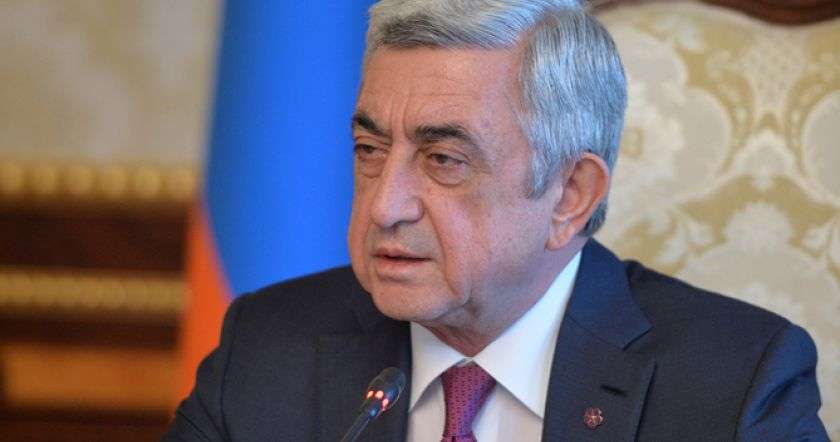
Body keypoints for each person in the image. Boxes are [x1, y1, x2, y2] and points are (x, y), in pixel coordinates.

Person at [165, 0, 829, 440]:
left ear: (570, 195)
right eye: (370, 150)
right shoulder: (269, 349)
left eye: (444, 160)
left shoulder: (734, 386)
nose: (385, 206)